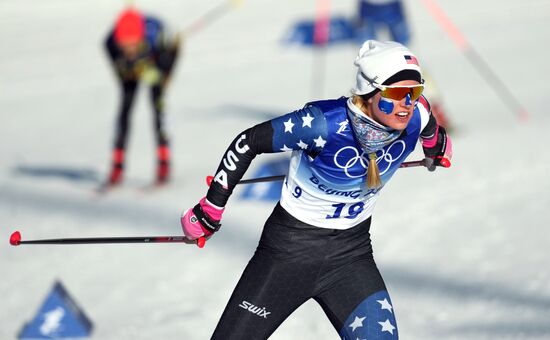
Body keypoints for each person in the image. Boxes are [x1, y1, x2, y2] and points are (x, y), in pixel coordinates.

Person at [181, 40, 452, 339]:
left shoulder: (417, 114)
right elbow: (247, 142)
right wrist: (210, 209)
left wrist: (436, 146)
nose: (407, 104)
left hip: (351, 257)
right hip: (286, 256)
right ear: (370, 91)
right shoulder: (321, 125)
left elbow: (431, 131)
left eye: (414, 92)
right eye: (398, 93)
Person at [104, 7, 180, 186]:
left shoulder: (156, 36)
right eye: (125, 45)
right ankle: (117, 163)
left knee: (158, 104)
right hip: (135, 67)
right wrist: (128, 69)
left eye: (132, 44)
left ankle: (164, 160)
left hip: (159, 57)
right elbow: (119, 71)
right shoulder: (110, 42)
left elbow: (172, 53)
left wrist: (161, 74)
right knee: (125, 107)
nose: (129, 48)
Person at [354, 0, 452, 130]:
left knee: (410, 62)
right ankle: (367, 119)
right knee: (367, 67)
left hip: (389, 7)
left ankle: (433, 111)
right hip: (369, 7)